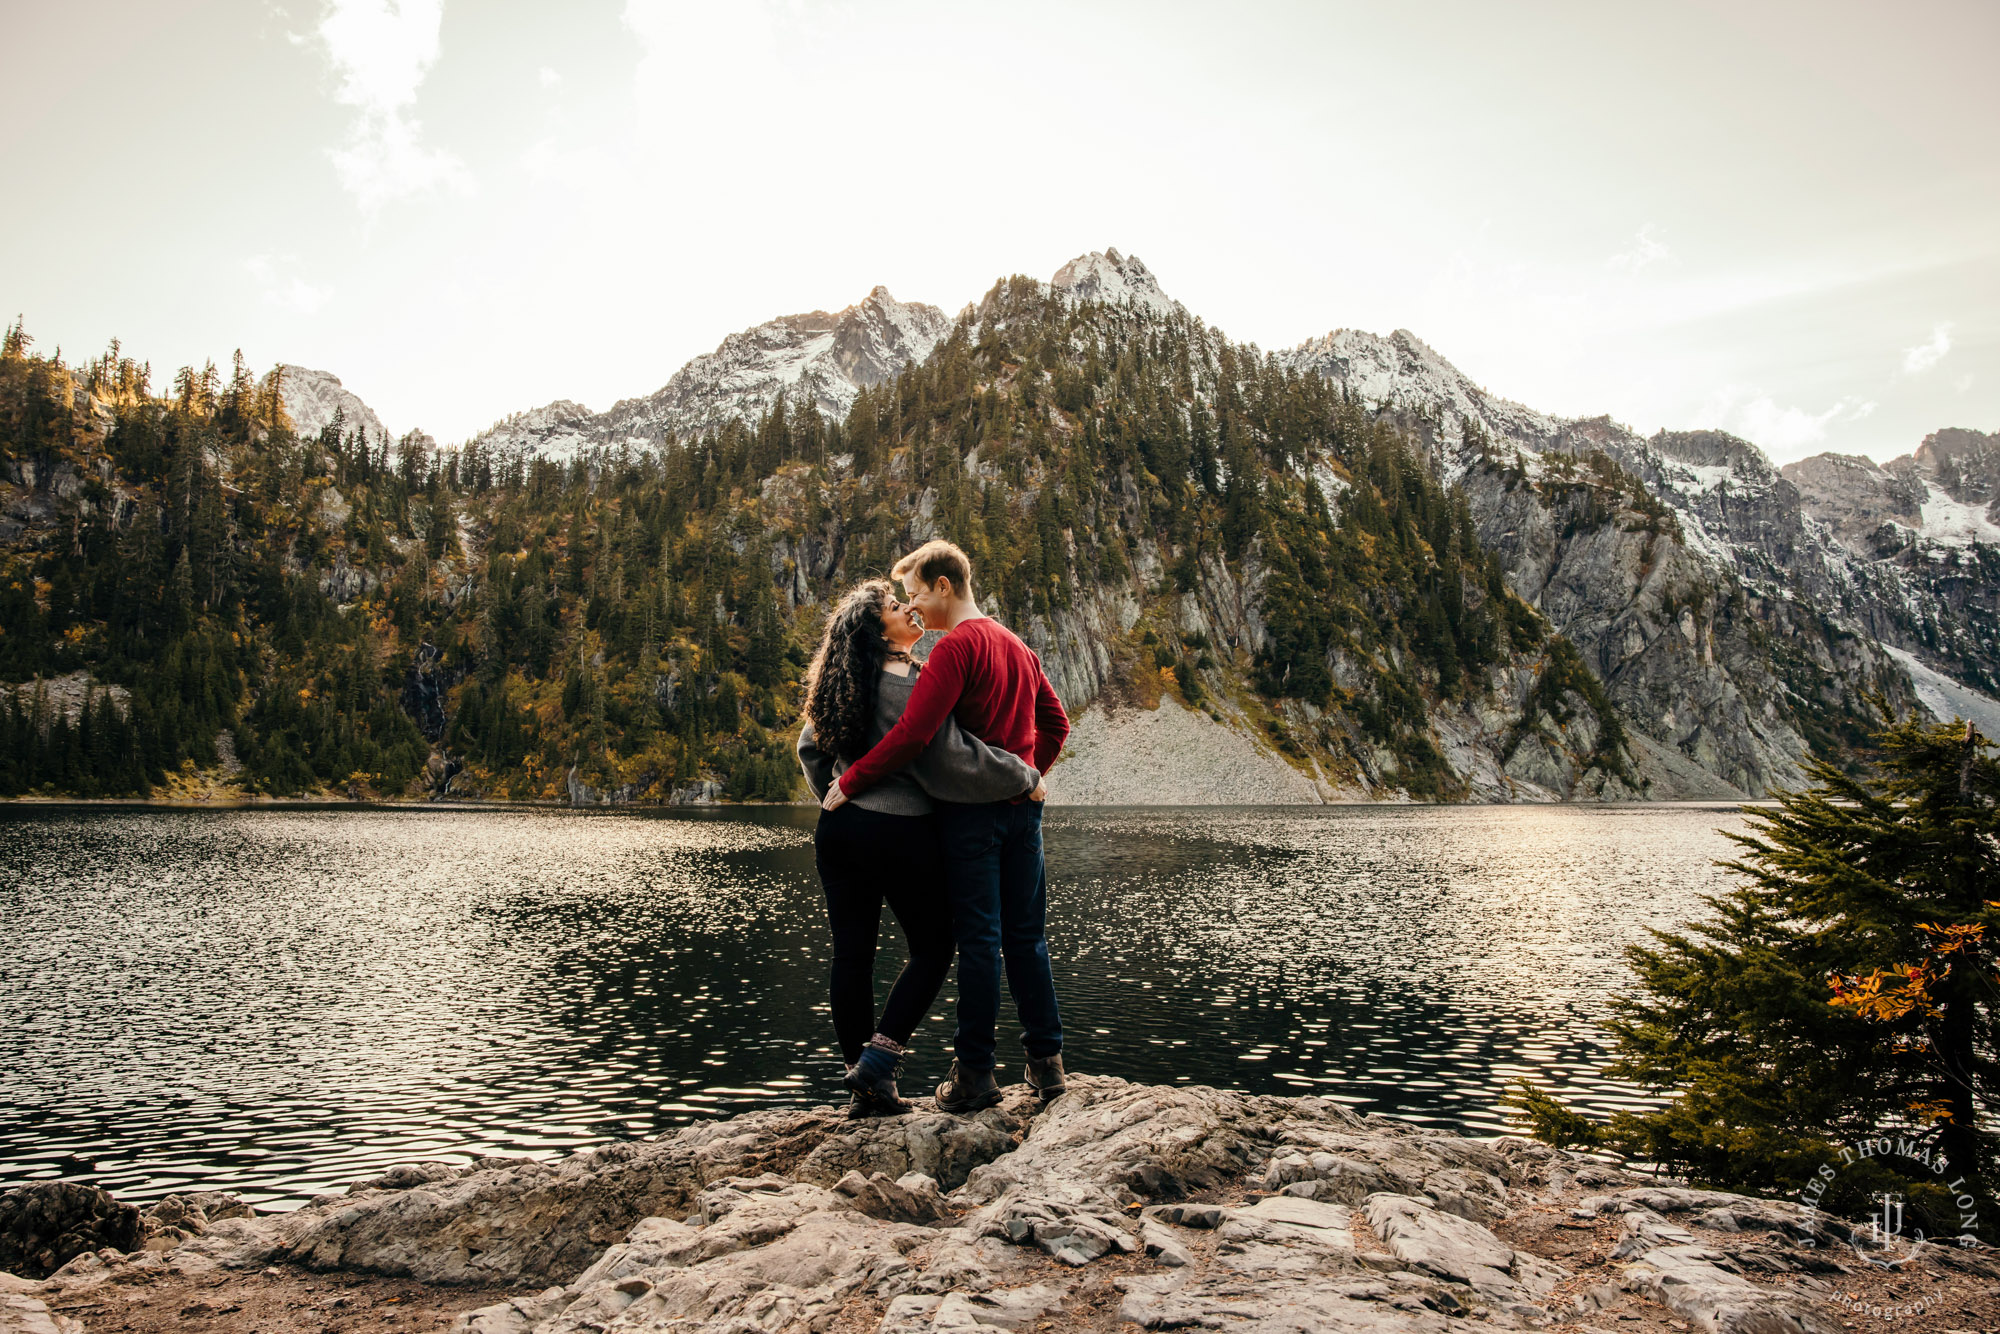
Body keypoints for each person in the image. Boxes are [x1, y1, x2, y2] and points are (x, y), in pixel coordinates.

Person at [822, 539, 1071, 1113]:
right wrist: (1028, 778)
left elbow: (917, 737)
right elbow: (1055, 723)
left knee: (979, 941)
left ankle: (975, 1074)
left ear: (942, 585)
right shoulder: (1018, 645)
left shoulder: (954, 650)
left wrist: (852, 783)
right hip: (1021, 814)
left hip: (968, 817)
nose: (913, 608)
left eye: (914, 594)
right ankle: (1047, 1065)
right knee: (1028, 938)